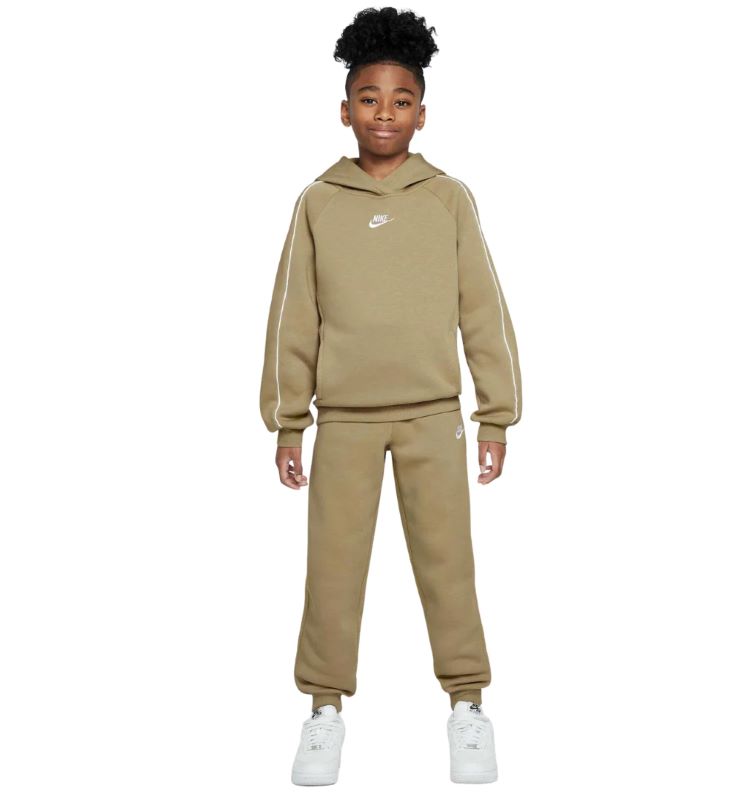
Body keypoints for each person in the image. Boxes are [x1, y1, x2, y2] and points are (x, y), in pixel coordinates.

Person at [258, 7, 522, 785]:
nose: (384, 113)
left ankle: (467, 705)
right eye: (369, 99)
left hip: (433, 415)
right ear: (344, 110)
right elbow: (293, 316)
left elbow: (484, 310)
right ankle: (324, 711)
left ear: (422, 113)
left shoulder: (448, 198)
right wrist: (287, 424)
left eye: (401, 100)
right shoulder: (318, 201)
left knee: (448, 565)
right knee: (332, 570)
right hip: (342, 420)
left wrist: (496, 416)